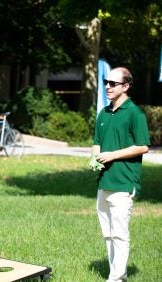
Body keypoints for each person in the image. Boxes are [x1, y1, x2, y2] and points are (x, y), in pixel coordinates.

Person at [90, 67, 150, 282]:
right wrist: (95, 157)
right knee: (108, 234)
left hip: (124, 184)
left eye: (113, 83)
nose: (107, 86)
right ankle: (116, 274)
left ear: (126, 86)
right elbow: (97, 143)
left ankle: (116, 278)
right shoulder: (103, 113)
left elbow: (143, 146)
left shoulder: (135, 113)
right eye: (106, 82)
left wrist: (112, 155)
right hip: (104, 182)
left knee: (119, 234)